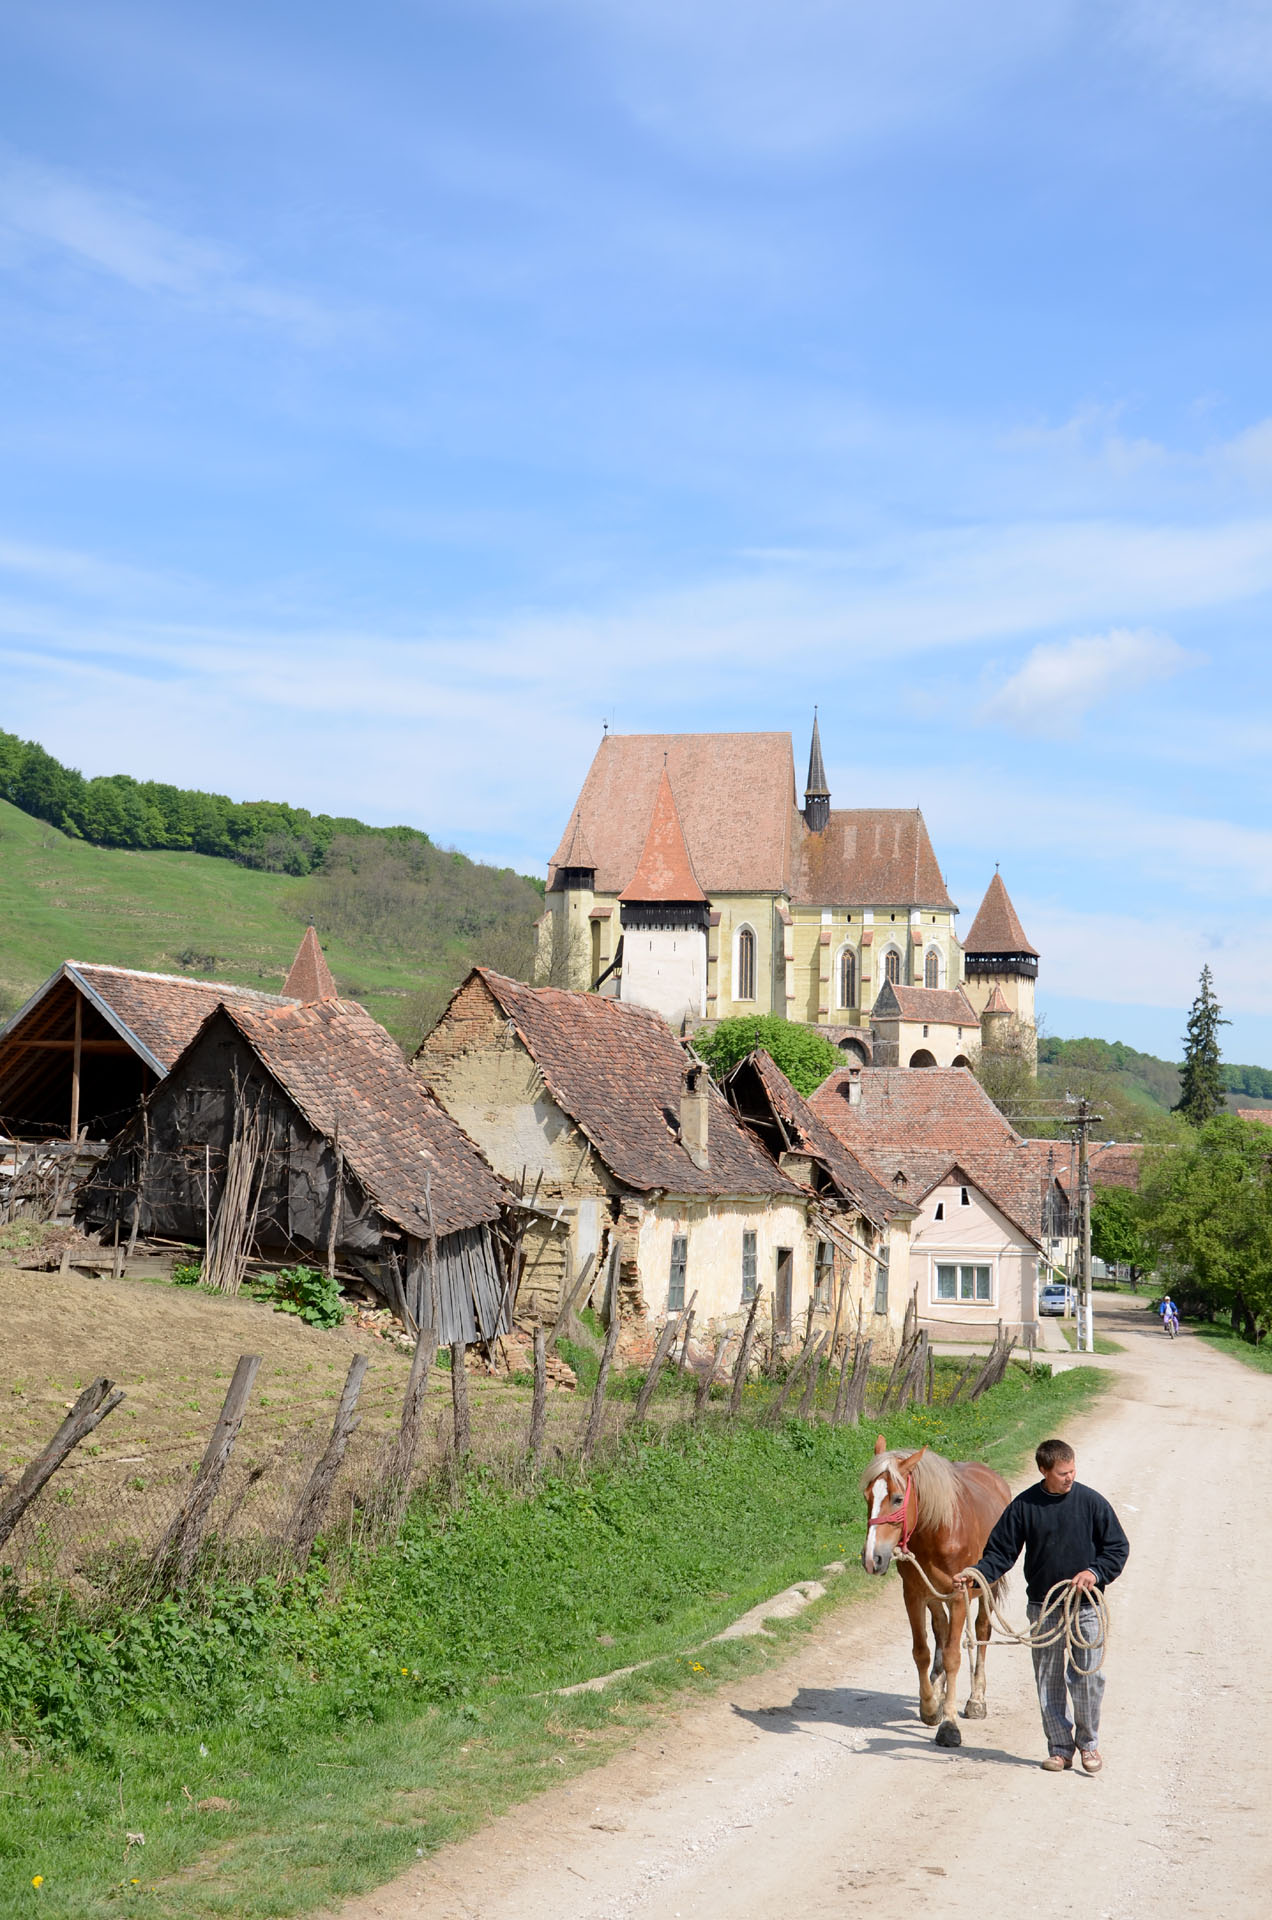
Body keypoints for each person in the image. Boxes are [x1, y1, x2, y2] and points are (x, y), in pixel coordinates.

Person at [954, 1438, 1129, 1773]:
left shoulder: (1091, 1502)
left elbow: (1117, 1548)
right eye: (1062, 1473)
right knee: (1049, 1680)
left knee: (1089, 1677)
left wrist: (1095, 1573)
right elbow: (1000, 1553)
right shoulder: (1024, 1506)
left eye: (1072, 1470)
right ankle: (1060, 1749)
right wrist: (975, 1575)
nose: (1069, 1477)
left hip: (1085, 1607)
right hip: (1043, 1607)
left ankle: (1089, 1745)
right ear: (1043, 1470)